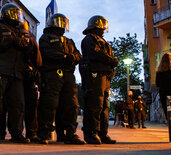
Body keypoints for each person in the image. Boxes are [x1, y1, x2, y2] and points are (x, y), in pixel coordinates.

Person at [0, 3, 30, 144]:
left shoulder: (19, 31)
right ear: (6, 14)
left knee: (18, 105)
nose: (17, 17)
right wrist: (11, 40)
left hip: (16, 73)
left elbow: (26, 49)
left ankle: (16, 134)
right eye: (14, 13)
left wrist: (22, 42)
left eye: (18, 14)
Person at [37, 13, 85, 145]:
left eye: (63, 22)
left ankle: (69, 133)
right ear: (52, 23)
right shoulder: (45, 38)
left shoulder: (69, 41)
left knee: (71, 105)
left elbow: (78, 55)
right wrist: (65, 57)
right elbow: (46, 53)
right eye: (59, 21)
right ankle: (44, 133)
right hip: (52, 75)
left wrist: (72, 58)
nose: (62, 24)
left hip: (68, 76)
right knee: (50, 104)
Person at [79, 15, 118, 144]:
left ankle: (102, 133)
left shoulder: (103, 42)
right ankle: (91, 133)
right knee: (95, 104)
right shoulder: (89, 39)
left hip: (104, 77)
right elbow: (95, 54)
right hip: (94, 76)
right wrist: (111, 60)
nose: (103, 29)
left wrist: (110, 70)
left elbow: (107, 58)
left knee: (104, 106)